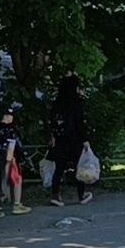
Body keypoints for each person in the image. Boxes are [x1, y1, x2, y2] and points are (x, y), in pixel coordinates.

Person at [48, 76, 92, 206]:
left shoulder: (57, 102)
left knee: (59, 168)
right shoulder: (76, 102)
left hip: (60, 139)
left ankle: (55, 195)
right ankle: (81, 194)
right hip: (74, 139)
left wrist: (52, 136)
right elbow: (79, 122)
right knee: (80, 167)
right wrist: (85, 139)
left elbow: (52, 121)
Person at [0, 102, 30, 216]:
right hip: (11, 158)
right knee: (17, 179)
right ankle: (17, 204)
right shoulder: (12, 130)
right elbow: (17, 144)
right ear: (7, 116)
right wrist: (24, 155)